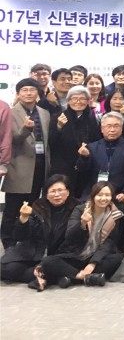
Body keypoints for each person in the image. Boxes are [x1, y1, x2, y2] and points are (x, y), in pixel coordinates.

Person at [40, 182, 124, 288]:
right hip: (77, 254)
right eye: (100, 195)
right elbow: (70, 236)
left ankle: (69, 276)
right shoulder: (80, 209)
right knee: (48, 261)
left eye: (107, 195)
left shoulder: (115, 215)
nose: (103, 198)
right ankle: (85, 277)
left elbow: (109, 242)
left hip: (97, 256)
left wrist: (93, 263)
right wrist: (82, 223)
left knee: (117, 258)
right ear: (93, 196)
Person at [0, 175, 78, 290]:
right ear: (46, 193)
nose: (57, 194)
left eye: (60, 190)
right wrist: (23, 218)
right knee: (6, 269)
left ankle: (45, 275)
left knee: (51, 265)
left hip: (58, 254)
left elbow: (74, 238)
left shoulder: (77, 207)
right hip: (34, 251)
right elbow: (20, 236)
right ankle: (51, 276)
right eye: (52, 191)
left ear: (68, 191)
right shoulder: (39, 205)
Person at [2, 79, 52, 249]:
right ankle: (8, 244)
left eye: (32, 90)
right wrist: (26, 130)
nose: (29, 93)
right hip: (18, 167)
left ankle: (27, 243)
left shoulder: (44, 113)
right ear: (18, 93)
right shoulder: (10, 113)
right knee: (12, 209)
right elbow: (9, 140)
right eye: (24, 90)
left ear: (38, 93)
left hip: (40, 166)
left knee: (33, 206)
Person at [49, 86, 101, 199]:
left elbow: (97, 140)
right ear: (68, 101)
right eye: (74, 98)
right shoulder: (58, 116)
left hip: (85, 165)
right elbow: (51, 142)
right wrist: (59, 127)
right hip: (63, 166)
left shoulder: (93, 118)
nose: (78, 102)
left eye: (82, 99)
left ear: (88, 101)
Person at [76, 112, 124, 200]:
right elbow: (82, 170)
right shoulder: (92, 147)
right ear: (102, 129)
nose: (112, 130)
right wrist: (84, 157)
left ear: (121, 128)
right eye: (109, 126)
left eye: (116, 126)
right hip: (95, 192)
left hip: (118, 192)